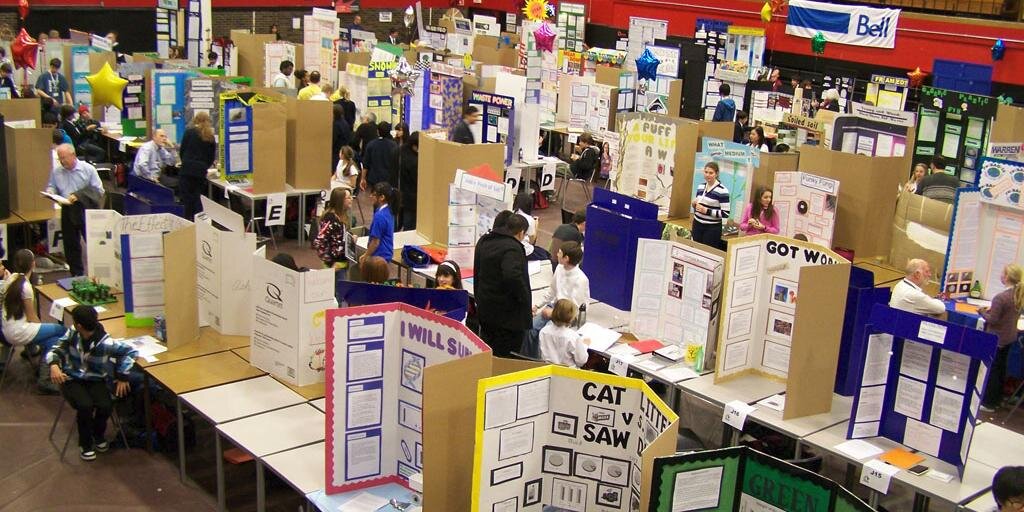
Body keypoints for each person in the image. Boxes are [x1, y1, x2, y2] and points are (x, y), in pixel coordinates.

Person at [46, 305, 138, 461]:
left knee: (105, 405)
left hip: (96, 379)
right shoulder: (72, 333)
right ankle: (85, 443)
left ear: (79, 325)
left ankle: (98, 434)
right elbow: (57, 348)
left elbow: (131, 352)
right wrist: (53, 364)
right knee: (85, 405)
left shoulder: (106, 343)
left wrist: (123, 375)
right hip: (72, 378)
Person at [2, 249, 68, 394]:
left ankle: (43, 368)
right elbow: (32, 318)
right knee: (61, 332)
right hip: (18, 331)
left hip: (7, 327)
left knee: (52, 338)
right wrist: (42, 332)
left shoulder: (11, 278)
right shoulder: (26, 287)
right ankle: (45, 378)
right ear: (33, 264)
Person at [473, 213, 531, 357]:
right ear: (521, 232)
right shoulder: (512, 248)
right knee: (506, 358)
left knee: (488, 353)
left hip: (486, 311)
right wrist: (524, 298)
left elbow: (477, 272)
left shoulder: (485, 241)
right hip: (508, 319)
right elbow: (512, 275)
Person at [46, 144, 104, 276]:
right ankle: (76, 274)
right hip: (67, 208)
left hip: (86, 209)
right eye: (60, 158)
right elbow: (52, 186)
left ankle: (98, 273)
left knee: (93, 242)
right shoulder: (57, 171)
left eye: (64, 158)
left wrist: (79, 195)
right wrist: (50, 193)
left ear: (73, 155)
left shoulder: (88, 169)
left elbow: (99, 191)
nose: (62, 161)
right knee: (70, 244)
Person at [978, 264, 1024, 412]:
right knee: (1001, 370)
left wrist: (982, 312)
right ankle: (996, 400)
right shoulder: (1017, 295)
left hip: (997, 339)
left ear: (1006, 277)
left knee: (993, 371)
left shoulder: (1001, 297)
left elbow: (993, 320)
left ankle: (988, 402)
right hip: (1010, 337)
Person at [533, 241, 590, 332]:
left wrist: (553, 314)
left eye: (560, 252)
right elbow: (552, 291)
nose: (557, 254)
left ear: (566, 258)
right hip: (555, 306)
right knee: (531, 328)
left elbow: (575, 309)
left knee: (547, 332)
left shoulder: (581, 280)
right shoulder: (559, 268)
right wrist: (537, 306)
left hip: (567, 315)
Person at [178, 111, 217, 220]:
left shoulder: (189, 132)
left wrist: (186, 162)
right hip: (200, 172)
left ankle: (187, 222)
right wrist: (204, 166)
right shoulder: (210, 137)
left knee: (186, 199)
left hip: (187, 170)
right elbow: (211, 157)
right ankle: (199, 224)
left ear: (195, 120)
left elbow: (182, 151)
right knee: (197, 198)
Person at [539, 299, 591, 368]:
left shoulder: (543, 331)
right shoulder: (573, 337)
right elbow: (581, 361)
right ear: (571, 317)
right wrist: (585, 345)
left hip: (548, 370)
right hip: (567, 373)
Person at [313, 188, 356, 271]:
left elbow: (340, 234)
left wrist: (351, 237)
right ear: (340, 201)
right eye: (348, 197)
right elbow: (319, 242)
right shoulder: (331, 219)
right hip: (334, 266)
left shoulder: (342, 216)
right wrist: (330, 262)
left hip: (342, 263)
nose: (351, 199)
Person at [691, 162, 730, 250]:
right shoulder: (701, 186)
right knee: (695, 250)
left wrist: (706, 211)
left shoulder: (723, 191)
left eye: (711, 173)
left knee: (707, 253)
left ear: (716, 174)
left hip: (711, 228)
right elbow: (698, 205)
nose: (708, 175)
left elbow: (725, 214)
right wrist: (694, 205)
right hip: (697, 224)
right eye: (706, 172)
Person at [360, 182, 397, 268]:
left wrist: (365, 256)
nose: (370, 197)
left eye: (373, 195)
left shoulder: (380, 216)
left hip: (378, 257)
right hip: (385, 254)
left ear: (382, 197)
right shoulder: (389, 211)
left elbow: (375, 242)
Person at [360, 122, 397, 191]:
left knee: (375, 197)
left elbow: (366, 164)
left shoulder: (371, 144)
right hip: (388, 179)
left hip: (374, 178)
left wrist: (363, 178)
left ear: (378, 131)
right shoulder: (394, 145)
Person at [398, 132, 420, 231]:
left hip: (400, 193)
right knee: (410, 225)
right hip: (412, 197)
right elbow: (416, 180)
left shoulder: (400, 151)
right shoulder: (414, 161)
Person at [331, 104, 353, 173]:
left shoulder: (336, 124)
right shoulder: (345, 123)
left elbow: (333, 140)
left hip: (336, 152)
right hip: (344, 150)